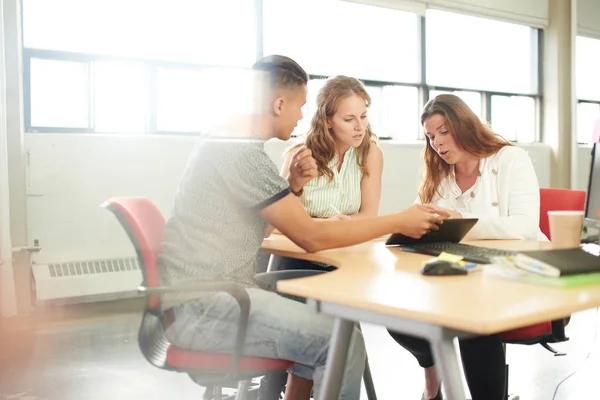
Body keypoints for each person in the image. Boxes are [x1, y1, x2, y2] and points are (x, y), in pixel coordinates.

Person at [157, 54, 448, 400]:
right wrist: (400, 220)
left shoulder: (228, 142)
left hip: (206, 298)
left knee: (326, 317)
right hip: (207, 309)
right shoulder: (240, 154)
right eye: (299, 106)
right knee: (343, 342)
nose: (300, 115)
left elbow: (262, 228)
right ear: (279, 104)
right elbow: (309, 236)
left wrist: (291, 186)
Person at [388, 94, 545, 400]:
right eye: (431, 137)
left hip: (516, 269)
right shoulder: (439, 173)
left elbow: (525, 227)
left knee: (472, 320)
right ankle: (433, 371)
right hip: (461, 271)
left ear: (464, 124)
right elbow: (426, 223)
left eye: (444, 132)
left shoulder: (511, 159)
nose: (438, 143)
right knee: (395, 311)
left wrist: (461, 219)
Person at [259, 75, 383, 399]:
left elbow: (369, 216)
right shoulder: (299, 154)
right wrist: (295, 186)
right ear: (328, 121)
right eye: (349, 119)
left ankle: (295, 387)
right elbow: (278, 223)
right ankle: (297, 386)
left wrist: (341, 224)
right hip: (295, 261)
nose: (360, 127)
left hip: (342, 262)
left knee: (331, 317)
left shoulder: (370, 154)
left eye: (363, 116)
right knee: (320, 321)